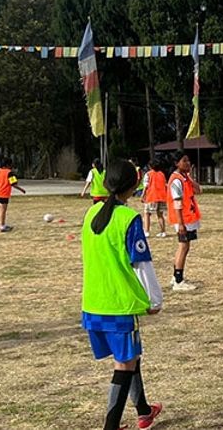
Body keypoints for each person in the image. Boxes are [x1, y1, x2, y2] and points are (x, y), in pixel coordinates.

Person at [80, 159, 164, 430]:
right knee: (124, 365)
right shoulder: (128, 219)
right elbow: (141, 263)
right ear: (135, 185)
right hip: (119, 305)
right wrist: (154, 300)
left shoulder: (91, 214)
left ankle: (144, 411)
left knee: (129, 357)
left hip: (93, 303)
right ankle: (110, 426)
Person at [167, 152, 200, 292]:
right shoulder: (176, 180)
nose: (188, 163)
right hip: (183, 219)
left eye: (188, 161)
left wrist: (190, 177)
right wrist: (180, 223)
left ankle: (176, 276)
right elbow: (177, 203)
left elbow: (199, 190)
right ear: (177, 163)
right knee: (183, 246)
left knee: (184, 247)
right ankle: (178, 280)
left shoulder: (185, 178)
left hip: (189, 218)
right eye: (184, 161)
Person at [0, 157, 26, 233]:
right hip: (3, 194)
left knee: (1, 210)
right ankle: (2, 226)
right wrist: (21, 190)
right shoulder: (9, 173)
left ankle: (2, 224)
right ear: (8, 164)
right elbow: (13, 183)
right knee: (3, 210)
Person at [141, 157, 168, 238]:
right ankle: (163, 232)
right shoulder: (162, 174)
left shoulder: (148, 174)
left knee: (147, 213)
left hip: (152, 196)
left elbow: (146, 186)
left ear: (150, 166)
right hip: (162, 196)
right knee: (160, 215)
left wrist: (143, 195)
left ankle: (147, 231)